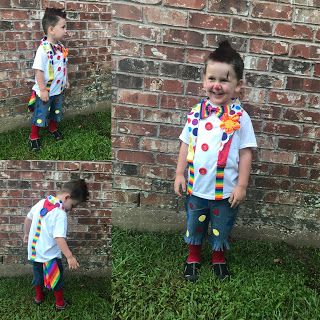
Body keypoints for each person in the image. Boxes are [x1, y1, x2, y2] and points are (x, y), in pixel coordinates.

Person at [174, 40, 257, 282]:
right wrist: (179, 174)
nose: (217, 86)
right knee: (195, 223)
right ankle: (193, 256)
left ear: (238, 85)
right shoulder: (195, 113)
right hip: (196, 187)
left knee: (222, 224)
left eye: (224, 80)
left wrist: (241, 186)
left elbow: (245, 153)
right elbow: (185, 143)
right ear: (203, 81)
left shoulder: (241, 118)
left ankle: (219, 257)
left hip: (225, 190)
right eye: (212, 79)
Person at [23, 179, 89, 310]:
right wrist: (69, 256)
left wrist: (26, 234)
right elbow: (59, 238)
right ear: (67, 198)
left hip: (35, 252)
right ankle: (59, 304)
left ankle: (38, 297)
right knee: (56, 278)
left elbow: (28, 218)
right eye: (73, 205)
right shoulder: (60, 214)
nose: (72, 209)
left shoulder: (42, 202)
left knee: (38, 275)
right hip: (50, 255)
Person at [27, 7, 69, 151]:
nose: (65, 30)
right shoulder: (43, 49)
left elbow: (63, 65)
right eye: (63, 27)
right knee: (41, 113)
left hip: (58, 90)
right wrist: (43, 90)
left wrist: (66, 80)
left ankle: (52, 128)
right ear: (51, 29)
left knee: (56, 111)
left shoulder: (60, 48)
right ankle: (33, 136)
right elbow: (38, 71)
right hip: (45, 91)